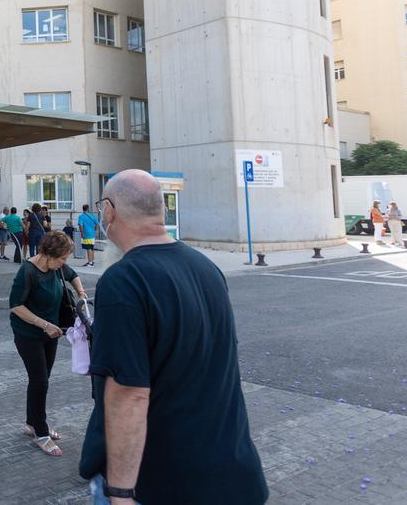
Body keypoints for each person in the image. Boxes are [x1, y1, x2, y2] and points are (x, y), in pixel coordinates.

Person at [79, 169, 267, 505]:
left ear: (109, 210)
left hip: (161, 483)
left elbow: (129, 393)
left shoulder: (124, 279)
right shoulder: (205, 268)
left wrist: (121, 492)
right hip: (230, 472)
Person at [8, 231, 87, 457]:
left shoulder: (58, 266)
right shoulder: (28, 271)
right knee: (40, 380)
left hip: (51, 332)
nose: (64, 264)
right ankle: (41, 433)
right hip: (28, 333)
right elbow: (15, 306)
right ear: (49, 255)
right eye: (62, 259)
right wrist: (43, 324)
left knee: (42, 380)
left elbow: (73, 276)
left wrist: (80, 293)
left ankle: (32, 423)